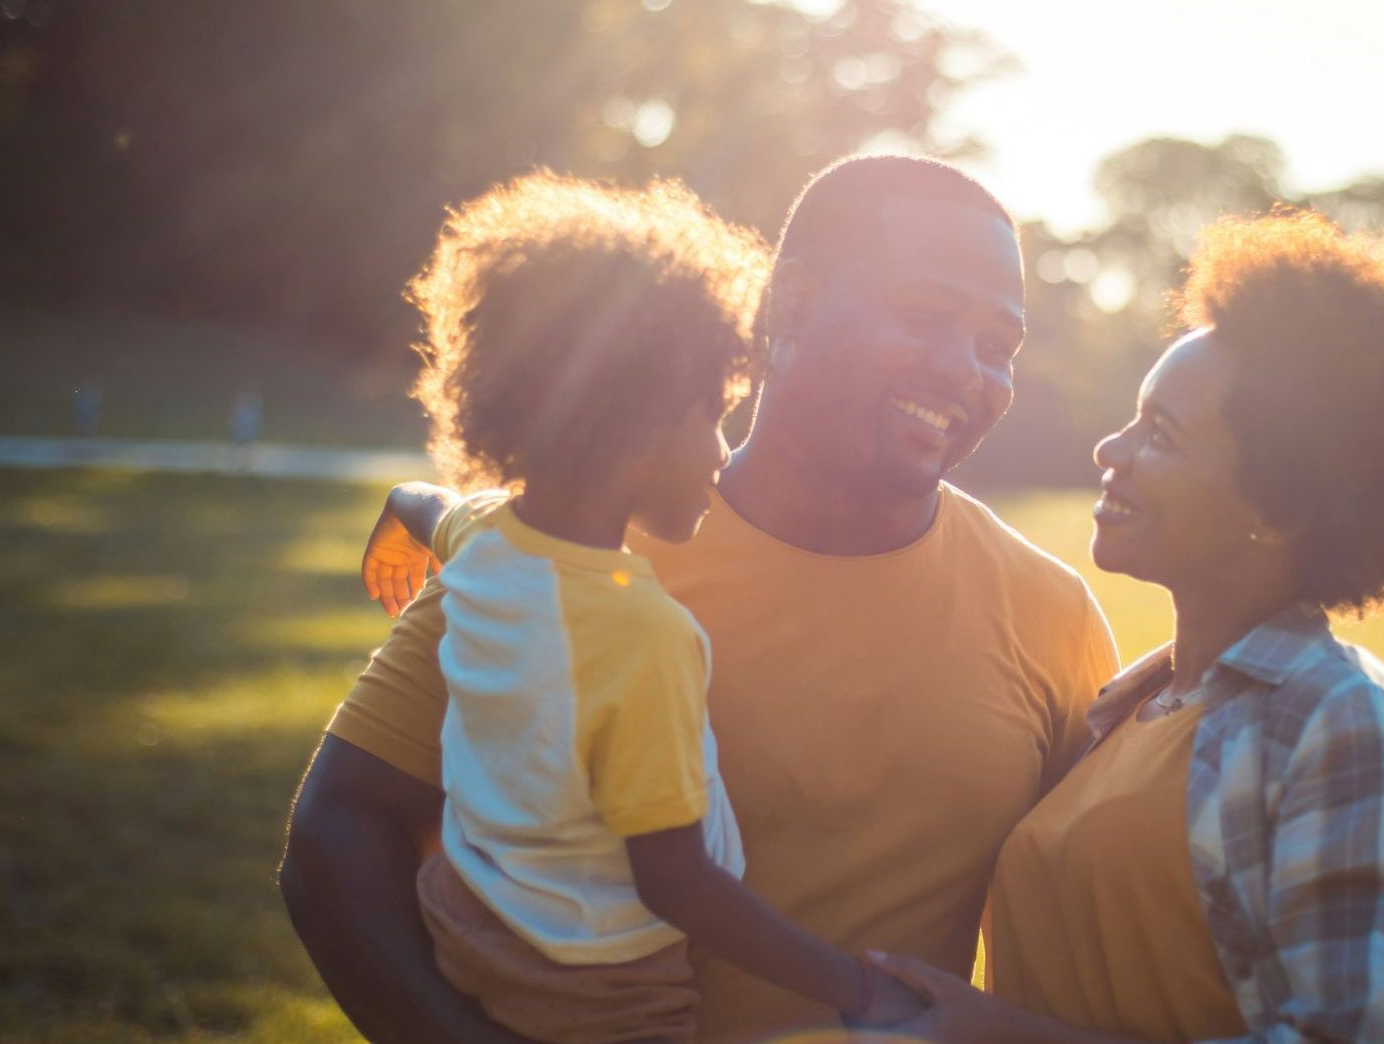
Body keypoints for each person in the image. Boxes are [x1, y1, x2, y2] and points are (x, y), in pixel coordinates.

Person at [279, 155, 1121, 1042]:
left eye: (999, 346)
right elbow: (342, 829)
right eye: (925, 316)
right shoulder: (560, 552)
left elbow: (1087, 919)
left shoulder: (1051, 613)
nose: (964, 370)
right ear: (790, 304)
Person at [869, 209, 1384, 1042]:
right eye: (1134, 417)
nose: (1111, 449)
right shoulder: (1132, 705)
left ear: (1279, 510)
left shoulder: (1346, 730)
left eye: (1160, 435)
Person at [350, 172, 932, 1041]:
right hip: (601, 994)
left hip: (469, 928)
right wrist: (854, 986)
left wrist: (397, 523)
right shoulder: (640, 633)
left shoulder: (489, 540)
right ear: (640, 421)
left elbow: (426, 502)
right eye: (715, 415)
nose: (723, 450)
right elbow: (676, 880)